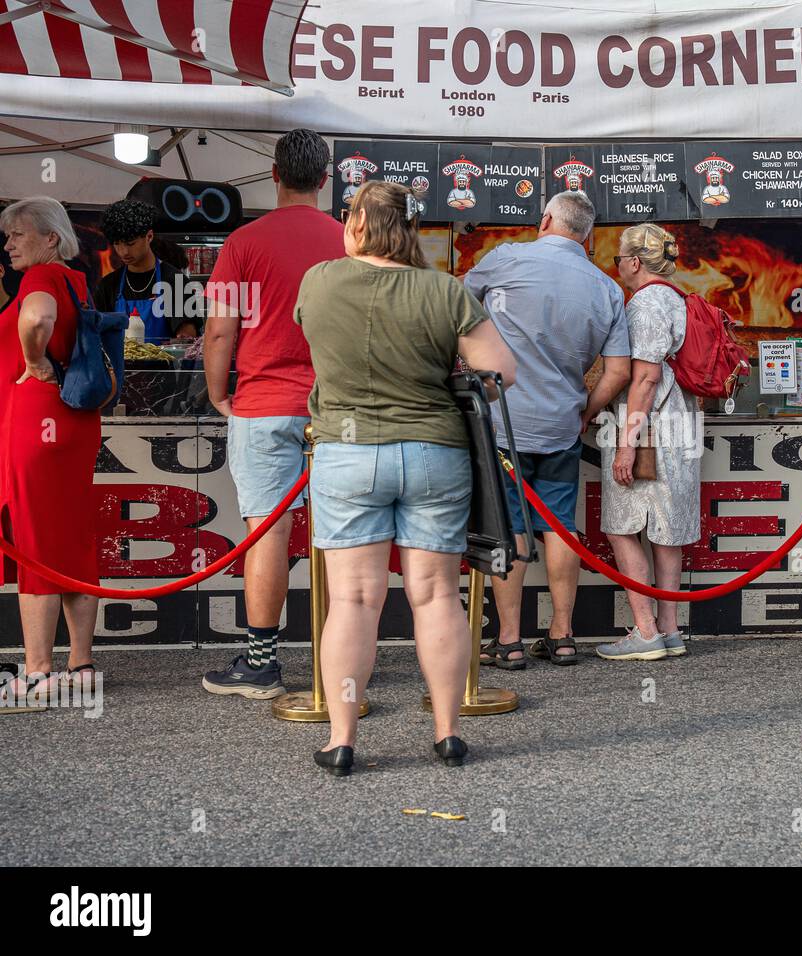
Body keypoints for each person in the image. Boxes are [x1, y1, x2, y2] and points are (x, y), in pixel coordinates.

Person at [295, 181, 516, 775]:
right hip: (434, 453)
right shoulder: (444, 291)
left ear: (359, 224)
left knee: (353, 600)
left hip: (346, 453)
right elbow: (501, 371)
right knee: (438, 595)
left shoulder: (318, 281)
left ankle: (341, 739)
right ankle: (447, 733)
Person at [201, 128, 344, 699]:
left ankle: (262, 664)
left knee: (266, 530)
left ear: (274, 176)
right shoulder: (349, 240)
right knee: (341, 534)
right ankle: (342, 658)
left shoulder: (244, 241)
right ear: (327, 180)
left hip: (261, 405)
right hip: (338, 408)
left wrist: (218, 393)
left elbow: (218, 329)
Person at [464, 191, 631, 667]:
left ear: (544, 221)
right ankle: (562, 634)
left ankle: (510, 640)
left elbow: (454, 306)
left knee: (510, 525)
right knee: (560, 527)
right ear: (587, 237)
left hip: (501, 423)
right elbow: (617, 372)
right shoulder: (606, 288)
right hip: (562, 424)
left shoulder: (506, 260)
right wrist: (584, 408)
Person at [0, 197, 102, 699]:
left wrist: (33, 359)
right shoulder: (75, 279)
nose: (8, 242)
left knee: (35, 544)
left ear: (50, 239)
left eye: (18, 233)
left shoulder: (40, 280)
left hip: (37, 418)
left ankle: (38, 668)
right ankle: (80, 666)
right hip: (73, 422)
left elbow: (37, 319)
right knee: (73, 540)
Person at [596, 224, 701, 661]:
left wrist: (626, 443)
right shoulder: (677, 298)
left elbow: (645, 377)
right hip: (680, 425)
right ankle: (670, 630)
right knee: (666, 531)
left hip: (649, 429)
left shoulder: (644, 304)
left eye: (620, 258)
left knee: (622, 526)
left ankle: (645, 631)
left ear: (634, 262)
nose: (618, 264)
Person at [94, 199, 200, 343]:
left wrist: (176, 342)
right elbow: (98, 334)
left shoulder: (174, 281)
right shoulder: (108, 285)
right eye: (117, 244)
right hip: (118, 365)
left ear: (149, 236)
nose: (123, 252)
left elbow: (187, 338)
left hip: (162, 365)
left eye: (130, 244)